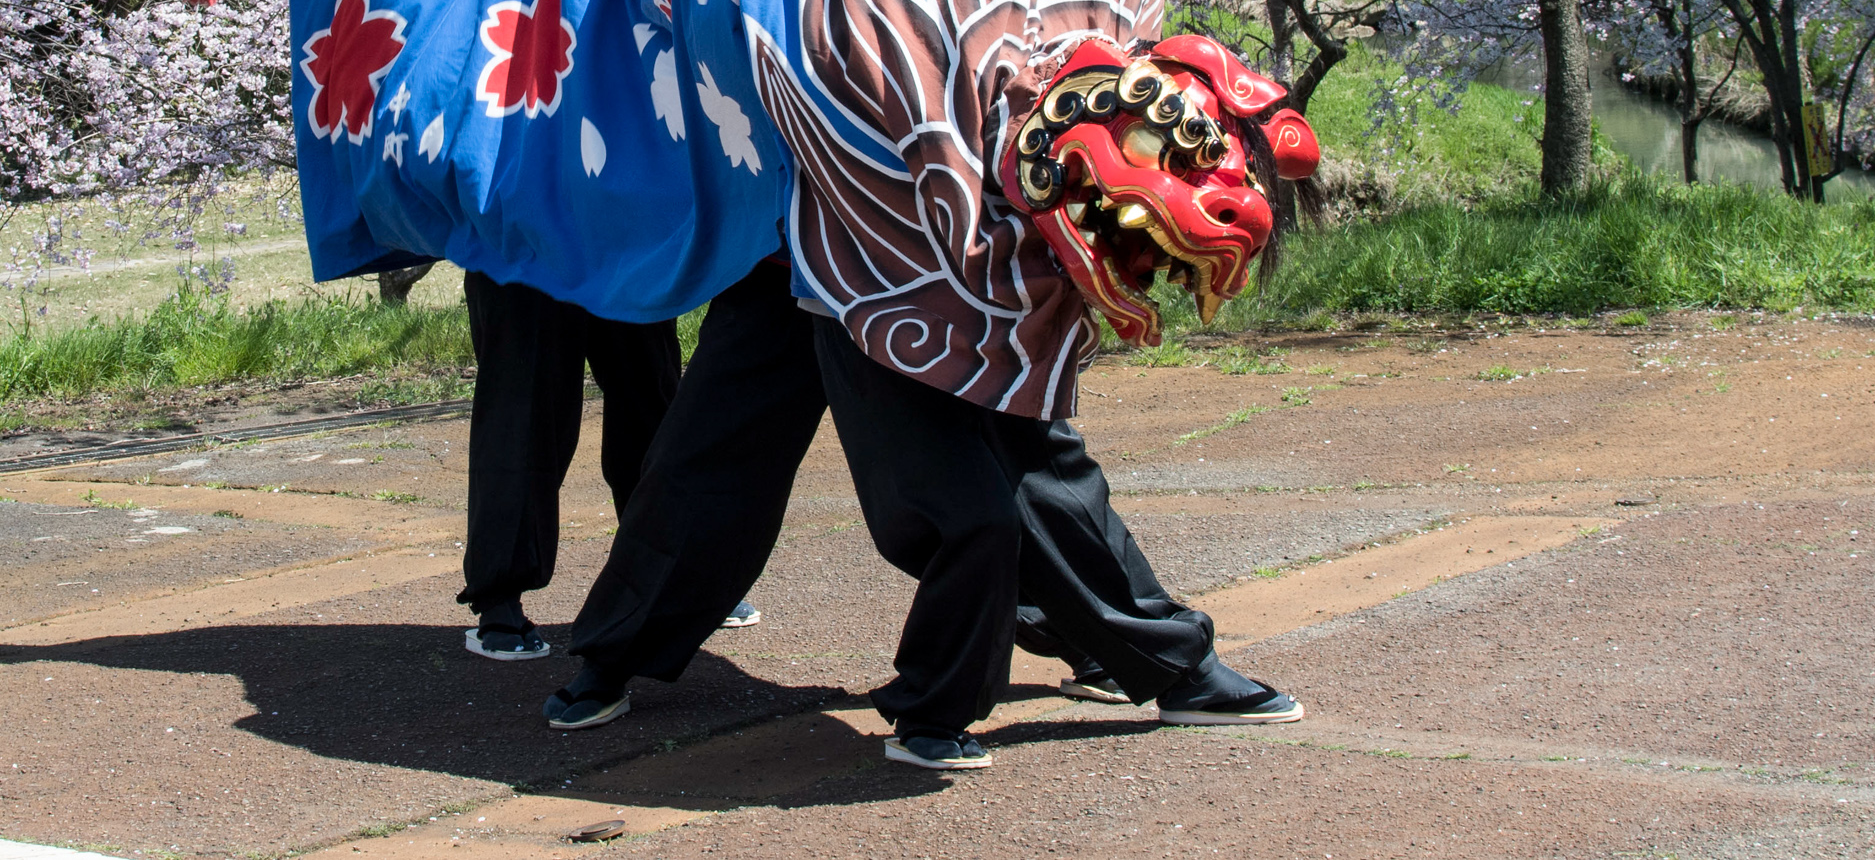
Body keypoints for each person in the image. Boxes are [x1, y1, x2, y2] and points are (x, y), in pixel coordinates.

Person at [540, 261, 1301, 769]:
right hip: (793, 218)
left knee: (1018, 446)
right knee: (709, 449)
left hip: (923, 225)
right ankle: (613, 652)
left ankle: (1152, 656)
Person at [456, 269, 758, 660]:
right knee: (522, 406)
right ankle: (499, 596)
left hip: (626, 232)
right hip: (519, 227)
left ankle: (680, 577)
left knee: (652, 400)